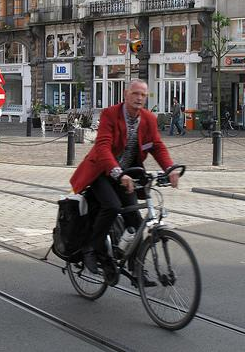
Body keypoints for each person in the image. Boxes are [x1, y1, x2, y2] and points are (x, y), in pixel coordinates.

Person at [70, 79, 181, 286]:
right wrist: (118, 173)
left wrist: (170, 168)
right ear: (125, 94)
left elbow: (157, 145)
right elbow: (102, 147)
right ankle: (91, 249)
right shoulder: (110, 114)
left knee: (136, 221)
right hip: (101, 172)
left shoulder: (148, 119)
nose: (139, 98)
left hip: (127, 176)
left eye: (143, 95)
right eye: (135, 93)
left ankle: (137, 270)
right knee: (111, 206)